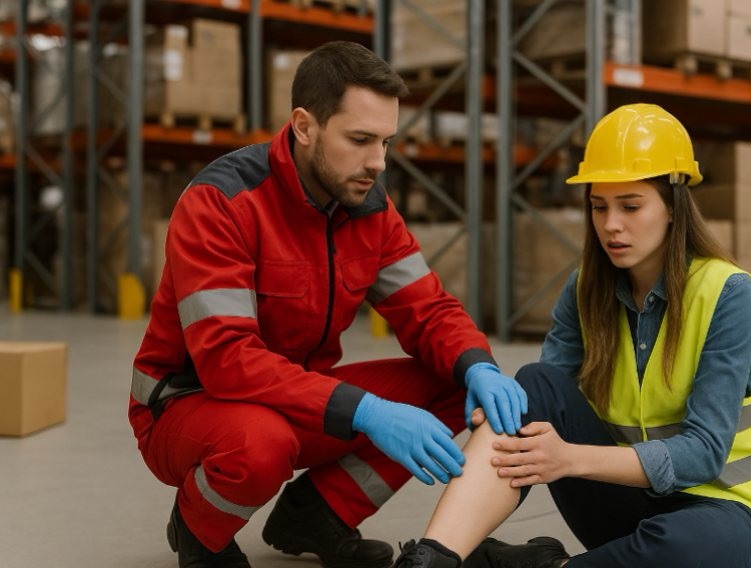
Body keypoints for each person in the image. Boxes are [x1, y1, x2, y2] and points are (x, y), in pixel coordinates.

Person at [128, 41, 527, 568]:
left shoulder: (369, 209)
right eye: (359, 140)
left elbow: (428, 310)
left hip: (293, 397)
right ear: (304, 126)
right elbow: (227, 359)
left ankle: (318, 514)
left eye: (385, 141)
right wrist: (367, 411)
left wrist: (479, 366)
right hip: (189, 404)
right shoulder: (221, 204)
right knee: (260, 443)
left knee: (454, 383)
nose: (377, 162)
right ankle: (200, 530)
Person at [391, 103, 751, 568]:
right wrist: (503, 415)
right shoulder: (585, 290)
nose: (611, 224)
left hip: (728, 515)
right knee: (531, 386)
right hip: (627, 504)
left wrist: (568, 459)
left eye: (631, 206)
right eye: (599, 207)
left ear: (673, 207)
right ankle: (435, 557)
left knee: (688, 546)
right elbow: (539, 406)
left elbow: (703, 454)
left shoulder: (726, 293)